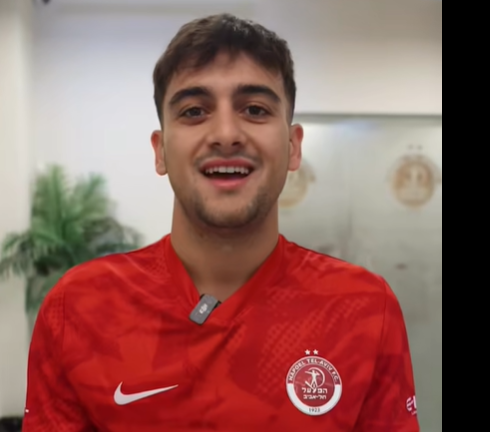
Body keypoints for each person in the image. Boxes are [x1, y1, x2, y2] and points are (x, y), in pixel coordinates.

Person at [22, 14, 421, 432]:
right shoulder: (79, 308)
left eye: (255, 109)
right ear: (160, 151)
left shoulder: (364, 308)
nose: (227, 133)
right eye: (194, 111)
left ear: (292, 146)